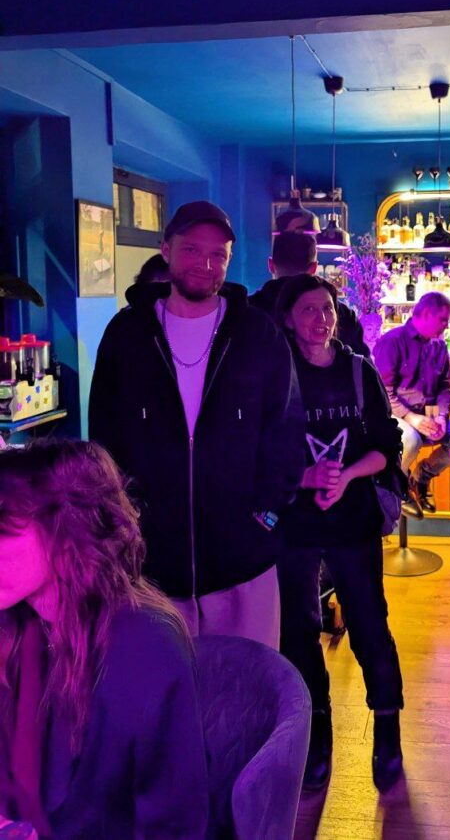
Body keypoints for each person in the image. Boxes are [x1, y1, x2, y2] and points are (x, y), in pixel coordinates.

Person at [89, 200, 305, 648]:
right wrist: (122, 522)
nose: (204, 265)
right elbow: (104, 440)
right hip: (152, 561)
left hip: (243, 559)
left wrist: (266, 515)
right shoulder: (126, 335)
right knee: (165, 681)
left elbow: (286, 432)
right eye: (191, 250)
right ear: (166, 249)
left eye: (217, 255)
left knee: (246, 678)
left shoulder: (258, 334)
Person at [0, 439, 208, 839]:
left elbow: (173, 823)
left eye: (3, 526)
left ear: (64, 530)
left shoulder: (144, 647)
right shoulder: (23, 628)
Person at [274, 275, 404, 793]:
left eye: (326, 308)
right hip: (296, 524)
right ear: (288, 319)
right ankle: (317, 733)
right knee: (298, 632)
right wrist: (304, 478)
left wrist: (346, 475)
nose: (320, 318)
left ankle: (387, 729)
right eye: (308, 309)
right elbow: (262, 449)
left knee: (370, 623)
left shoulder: (358, 370)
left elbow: (387, 447)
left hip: (353, 521)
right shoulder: (277, 373)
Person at [373, 291, 450, 517]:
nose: (446, 325)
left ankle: (421, 477)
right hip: (397, 413)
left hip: (429, 412)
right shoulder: (392, 341)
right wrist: (412, 418)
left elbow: (445, 387)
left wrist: (440, 416)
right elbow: (383, 392)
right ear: (425, 314)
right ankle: (399, 486)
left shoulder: (439, 345)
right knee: (410, 440)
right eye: (443, 319)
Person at [250, 229, 369, 356]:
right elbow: (362, 363)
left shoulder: (249, 309)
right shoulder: (342, 314)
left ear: (270, 265)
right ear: (314, 268)